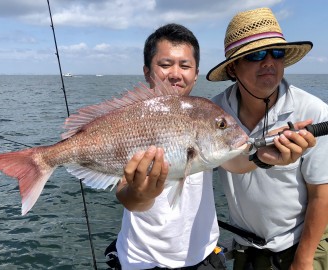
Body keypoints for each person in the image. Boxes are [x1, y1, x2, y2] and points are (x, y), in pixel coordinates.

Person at [109, 23, 315, 270]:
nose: (175, 73)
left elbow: (235, 161)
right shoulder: (132, 118)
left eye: (185, 65)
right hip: (141, 260)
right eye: (165, 65)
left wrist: (263, 156)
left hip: (203, 256)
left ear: (196, 74)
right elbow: (127, 196)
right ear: (147, 71)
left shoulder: (202, 114)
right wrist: (140, 195)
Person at [207, 7, 328, 270]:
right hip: (244, 247)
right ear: (232, 69)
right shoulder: (213, 113)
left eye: (277, 52)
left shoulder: (313, 110)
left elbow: (321, 194)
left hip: (300, 244)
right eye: (256, 54)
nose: (269, 61)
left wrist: (304, 260)